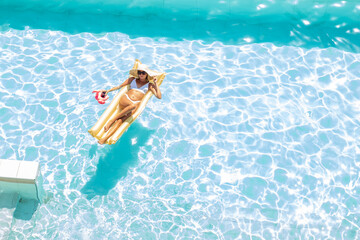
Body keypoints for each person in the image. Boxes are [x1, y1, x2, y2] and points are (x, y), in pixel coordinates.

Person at [97, 65, 162, 144]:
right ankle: (112, 120)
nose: (141, 74)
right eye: (139, 72)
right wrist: (108, 91)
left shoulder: (149, 85)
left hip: (134, 105)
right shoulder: (132, 79)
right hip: (126, 100)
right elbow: (119, 86)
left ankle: (104, 138)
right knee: (133, 106)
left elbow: (159, 96)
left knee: (120, 121)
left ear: (147, 74)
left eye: (143, 72)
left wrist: (155, 83)